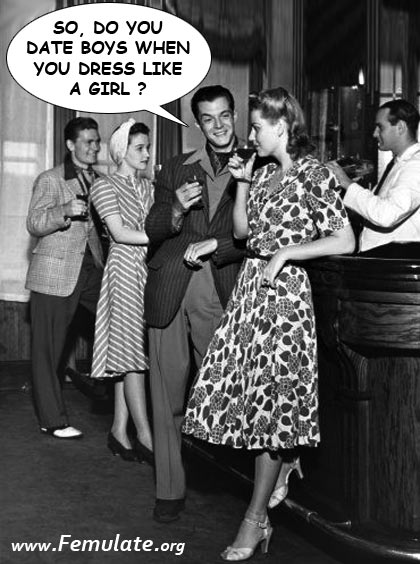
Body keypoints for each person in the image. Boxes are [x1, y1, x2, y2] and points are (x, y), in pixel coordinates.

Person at [182, 87, 355, 561]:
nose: (251, 135)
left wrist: (288, 252)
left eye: (257, 126)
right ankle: (284, 463)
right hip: (250, 293)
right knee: (244, 400)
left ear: (281, 126)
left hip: (285, 300)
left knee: (270, 408)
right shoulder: (261, 172)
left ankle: (255, 520)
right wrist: (242, 182)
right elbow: (242, 233)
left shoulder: (314, 173)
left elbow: (345, 239)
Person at [144, 85, 247, 523]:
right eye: (208, 118)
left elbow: (264, 233)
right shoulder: (177, 166)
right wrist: (175, 210)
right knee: (166, 394)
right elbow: (152, 227)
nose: (218, 125)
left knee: (227, 391)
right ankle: (169, 489)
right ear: (198, 123)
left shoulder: (257, 165)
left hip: (221, 289)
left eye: (224, 115)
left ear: (235, 115)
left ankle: (247, 485)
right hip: (170, 287)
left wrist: (217, 245)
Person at [26, 117, 104, 439]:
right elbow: (34, 222)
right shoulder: (51, 179)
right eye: (88, 141)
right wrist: (63, 211)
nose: (94, 147)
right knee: (48, 351)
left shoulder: (99, 180)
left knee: (118, 323)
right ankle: (52, 420)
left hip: (92, 270)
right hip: (54, 272)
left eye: (97, 141)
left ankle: (111, 394)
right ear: (71, 145)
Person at [90, 119, 154, 464]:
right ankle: (144, 435)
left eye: (148, 147)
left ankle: (118, 430)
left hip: (147, 269)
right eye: (139, 148)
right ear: (121, 150)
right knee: (133, 355)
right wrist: (161, 234)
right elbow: (119, 233)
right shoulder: (104, 186)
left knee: (126, 352)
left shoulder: (149, 187)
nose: (147, 153)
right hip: (125, 270)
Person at [328, 99, 420, 257]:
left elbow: (386, 215)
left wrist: (348, 184)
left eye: (380, 127)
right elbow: (375, 211)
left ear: (400, 127)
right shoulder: (398, 164)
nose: (374, 134)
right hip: (384, 259)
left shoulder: (415, 165)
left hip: (397, 261)